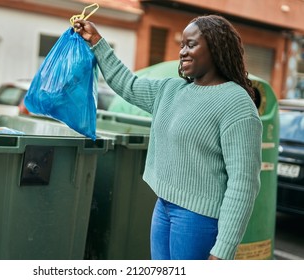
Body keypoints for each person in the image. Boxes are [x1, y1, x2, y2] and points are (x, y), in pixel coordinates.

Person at [74, 14, 262, 260]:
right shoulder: (171, 90)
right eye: (181, 45)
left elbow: (244, 182)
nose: (183, 52)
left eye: (191, 44)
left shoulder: (236, 103)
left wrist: (223, 250)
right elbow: (127, 84)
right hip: (163, 207)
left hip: (199, 218)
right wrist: (97, 41)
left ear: (215, 48)